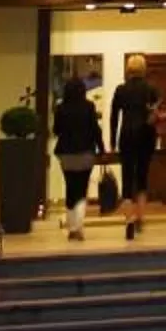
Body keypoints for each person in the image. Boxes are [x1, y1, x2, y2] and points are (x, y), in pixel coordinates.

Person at [109, 53, 161, 241]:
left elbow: (114, 116)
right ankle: (140, 217)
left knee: (127, 176)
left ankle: (128, 220)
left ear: (128, 69)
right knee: (142, 177)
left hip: (127, 136)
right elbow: (158, 114)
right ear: (144, 69)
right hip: (146, 136)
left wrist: (113, 141)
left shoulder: (121, 90)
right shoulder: (151, 89)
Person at [52, 74, 103, 242]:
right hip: (85, 152)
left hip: (66, 153)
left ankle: (72, 227)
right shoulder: (89, 107)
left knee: (70, 188)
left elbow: (56, 130)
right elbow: (96, 130)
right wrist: (101, 148)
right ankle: (77, 227)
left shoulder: (61, 108)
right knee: (81, 190)